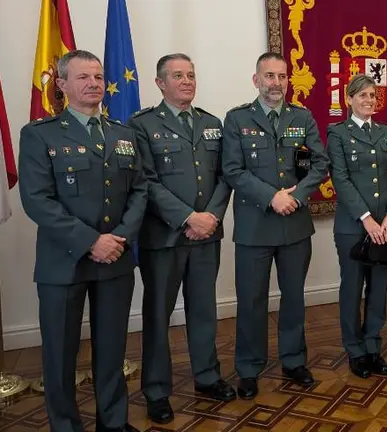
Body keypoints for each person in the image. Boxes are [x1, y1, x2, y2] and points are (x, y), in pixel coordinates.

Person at [18, 49, 146, 432]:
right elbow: (37, 200)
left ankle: (114, 421)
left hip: (116, 259)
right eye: (82, 77)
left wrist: (119, 237)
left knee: (112, 349)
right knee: (60, 354)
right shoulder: (39, 135)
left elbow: (140, 191)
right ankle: (65, 426)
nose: (93, 84)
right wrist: (92, 241)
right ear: (61, 84)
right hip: (64, 262)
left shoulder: (123, 134)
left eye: (97, 77)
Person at [128, 53, 235, 424]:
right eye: (178, 75)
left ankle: (207, 376)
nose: (187, 81)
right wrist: (188, 217)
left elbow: (225, 176)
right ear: (160, 83)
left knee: (204, 310)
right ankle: (157, 390)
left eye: (191, 74)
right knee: (158, 315)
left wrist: (211, 217)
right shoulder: (141, 125)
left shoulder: (211, 123)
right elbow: (145, 182)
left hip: (207, 234)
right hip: (164, 237)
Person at [221, 52, 330, 398]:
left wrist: (296, 196)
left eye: (282, 77)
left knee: (294, 298)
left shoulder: (302, 117)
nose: (276, 83)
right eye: (269, 76)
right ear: (256, 80)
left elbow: (318, 163)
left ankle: (294, 360)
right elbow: (233, 170)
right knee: (251, 301)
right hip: (255, 227)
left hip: (295, 226)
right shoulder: (237, 119)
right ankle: (249, 368)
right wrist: (272, 197)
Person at [326, 74, 387, 379]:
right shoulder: (338, 134)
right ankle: (355, 350)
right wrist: (367, 219)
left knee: (379, 290)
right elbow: (341, 180)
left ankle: (373, 346)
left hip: (385, 226)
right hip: (353, 227)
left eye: (372, 95)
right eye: (362, 96)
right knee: (352, 288)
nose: (369, 101)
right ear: (349, 99)